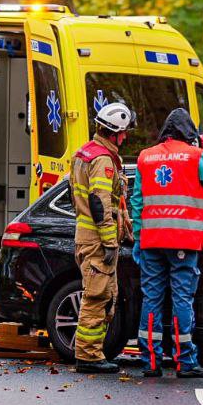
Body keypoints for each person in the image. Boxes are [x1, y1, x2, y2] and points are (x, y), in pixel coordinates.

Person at [130, 107, 203, 379]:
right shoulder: (194, 156)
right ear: (189, 134)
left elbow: (137, 201)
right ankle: (185, 362)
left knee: (151, 298)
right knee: (181, 298)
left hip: (152, 240)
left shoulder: (146, 157)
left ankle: (150, 362)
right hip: (183, 241)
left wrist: (138, 239)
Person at [69, 101, 135, 374]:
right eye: (124, 132)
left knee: (104, 295)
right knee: (96, 297)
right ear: (115, 133)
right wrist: (109, 241)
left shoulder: (84, 153)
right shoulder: (103, 160)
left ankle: (93, 353)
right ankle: (88, 356)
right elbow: (99, 203)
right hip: (97, 240)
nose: (126, 136)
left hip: (87, 237)